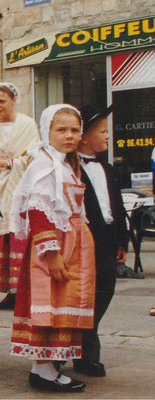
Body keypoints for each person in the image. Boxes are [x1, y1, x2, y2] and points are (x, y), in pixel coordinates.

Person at [9, 104, 95, 393]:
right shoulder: (45, 165)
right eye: (61, 130)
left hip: (71, 241)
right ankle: (42, 370)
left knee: (63, 304)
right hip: (55, 246)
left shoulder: (66, 164)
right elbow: (38, 210)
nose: (69, 136)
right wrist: (52, 251)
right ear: (47, 131)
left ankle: (47, 366)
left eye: (74, 130)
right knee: (50, 303)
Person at [73, 104, 129, 377]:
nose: (108, 136)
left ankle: (86, 345)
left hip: (107, 239)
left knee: (105, 290)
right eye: (103, 131)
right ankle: (85, 354)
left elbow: (116, 206)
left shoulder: (106, 168)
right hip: (85, 238)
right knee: (85, 296)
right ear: (84, 137)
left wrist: (122, 241)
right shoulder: (72, 168)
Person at [0, 83, 40, 308]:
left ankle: (20, 291)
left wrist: (10, 162)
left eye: (2, 101)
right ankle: (8, 290)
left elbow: (33, 156)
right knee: (0, 237)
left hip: (16, 184)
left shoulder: (27, 124)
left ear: (14, 100)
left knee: (16, 233)